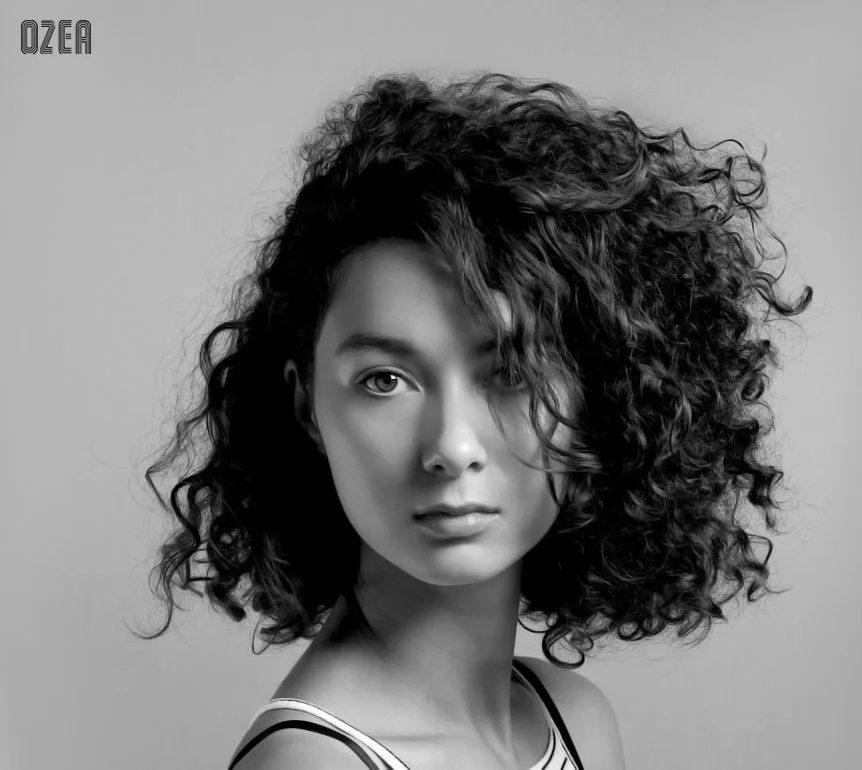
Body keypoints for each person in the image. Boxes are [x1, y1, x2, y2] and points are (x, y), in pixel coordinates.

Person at [136, 70, 812, 769]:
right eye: (385, 380)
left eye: (512, 371)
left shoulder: (574, 720)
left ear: (597, 393)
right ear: (307, 404)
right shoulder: (315, 765)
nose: (452, 447)